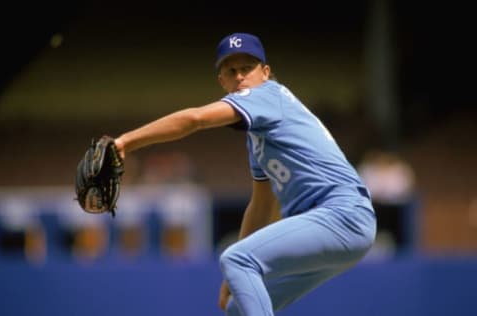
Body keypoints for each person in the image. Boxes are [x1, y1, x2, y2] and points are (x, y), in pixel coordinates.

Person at [112, 33, 376, 316]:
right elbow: (262, 205)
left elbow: (195, 119)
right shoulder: (259, 136)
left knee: (237, 259)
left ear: (265, 73)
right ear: (222, 82)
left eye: (247, 68)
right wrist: (232, 277)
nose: (240, 76)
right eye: (231, 70)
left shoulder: (268, 95)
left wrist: (125, 142)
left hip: (341, 214)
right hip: (339, 226)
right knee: (238, 307)